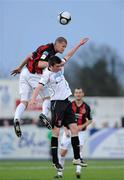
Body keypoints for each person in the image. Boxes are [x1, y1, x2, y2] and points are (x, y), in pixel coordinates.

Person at [29, 38, 89, 177]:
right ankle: (55, 160)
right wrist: (33, 99)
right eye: (57, 67)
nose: (60, 68)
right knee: (56, 131)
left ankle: (76, 158)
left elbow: (69, 55)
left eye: (60, 66)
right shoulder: (47, 75)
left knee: (74, 128)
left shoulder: (60, 64)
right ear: (51, 66)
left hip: (67, 102)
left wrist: (79, 44)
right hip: (57, 104)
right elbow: (38, 87)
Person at [11, 37, 68, 137]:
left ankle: (16, 119)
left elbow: (30, 56)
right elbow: (39, 64)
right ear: (57, 44)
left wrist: (20, 67)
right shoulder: (48, 51)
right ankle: (44, 115)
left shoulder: (43, 47)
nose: (64, 49)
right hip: (33, 75)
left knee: (24, 101)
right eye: (63, 46)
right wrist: (52, 64)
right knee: (47, 97)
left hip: (25, 72)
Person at [58, 88, 93, 179]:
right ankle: (60, 173)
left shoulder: (86, 107)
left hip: (81, 132)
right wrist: (65, 129)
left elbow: (90, 120)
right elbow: (64, 118)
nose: (78, 94)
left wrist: (82, 126)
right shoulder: (69, 105)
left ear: (83, 94)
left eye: (80, 92)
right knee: (62, 153)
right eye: (76, 93)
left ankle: (78, 171)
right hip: (69, 131)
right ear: (74, 94)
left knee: (79, 150)